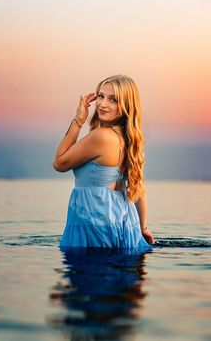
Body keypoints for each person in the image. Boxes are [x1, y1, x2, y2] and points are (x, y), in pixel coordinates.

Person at [53, 74, 155, 250]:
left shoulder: (101, 137)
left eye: (113, 99)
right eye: (100, 96)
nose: (103, 104)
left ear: (126, 105)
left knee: (90, 274)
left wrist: (78, 120)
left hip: (94, 221)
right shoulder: (127, 139)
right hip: (122, 221)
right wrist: (142, 228)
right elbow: (139, 186)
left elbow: (59, 163)